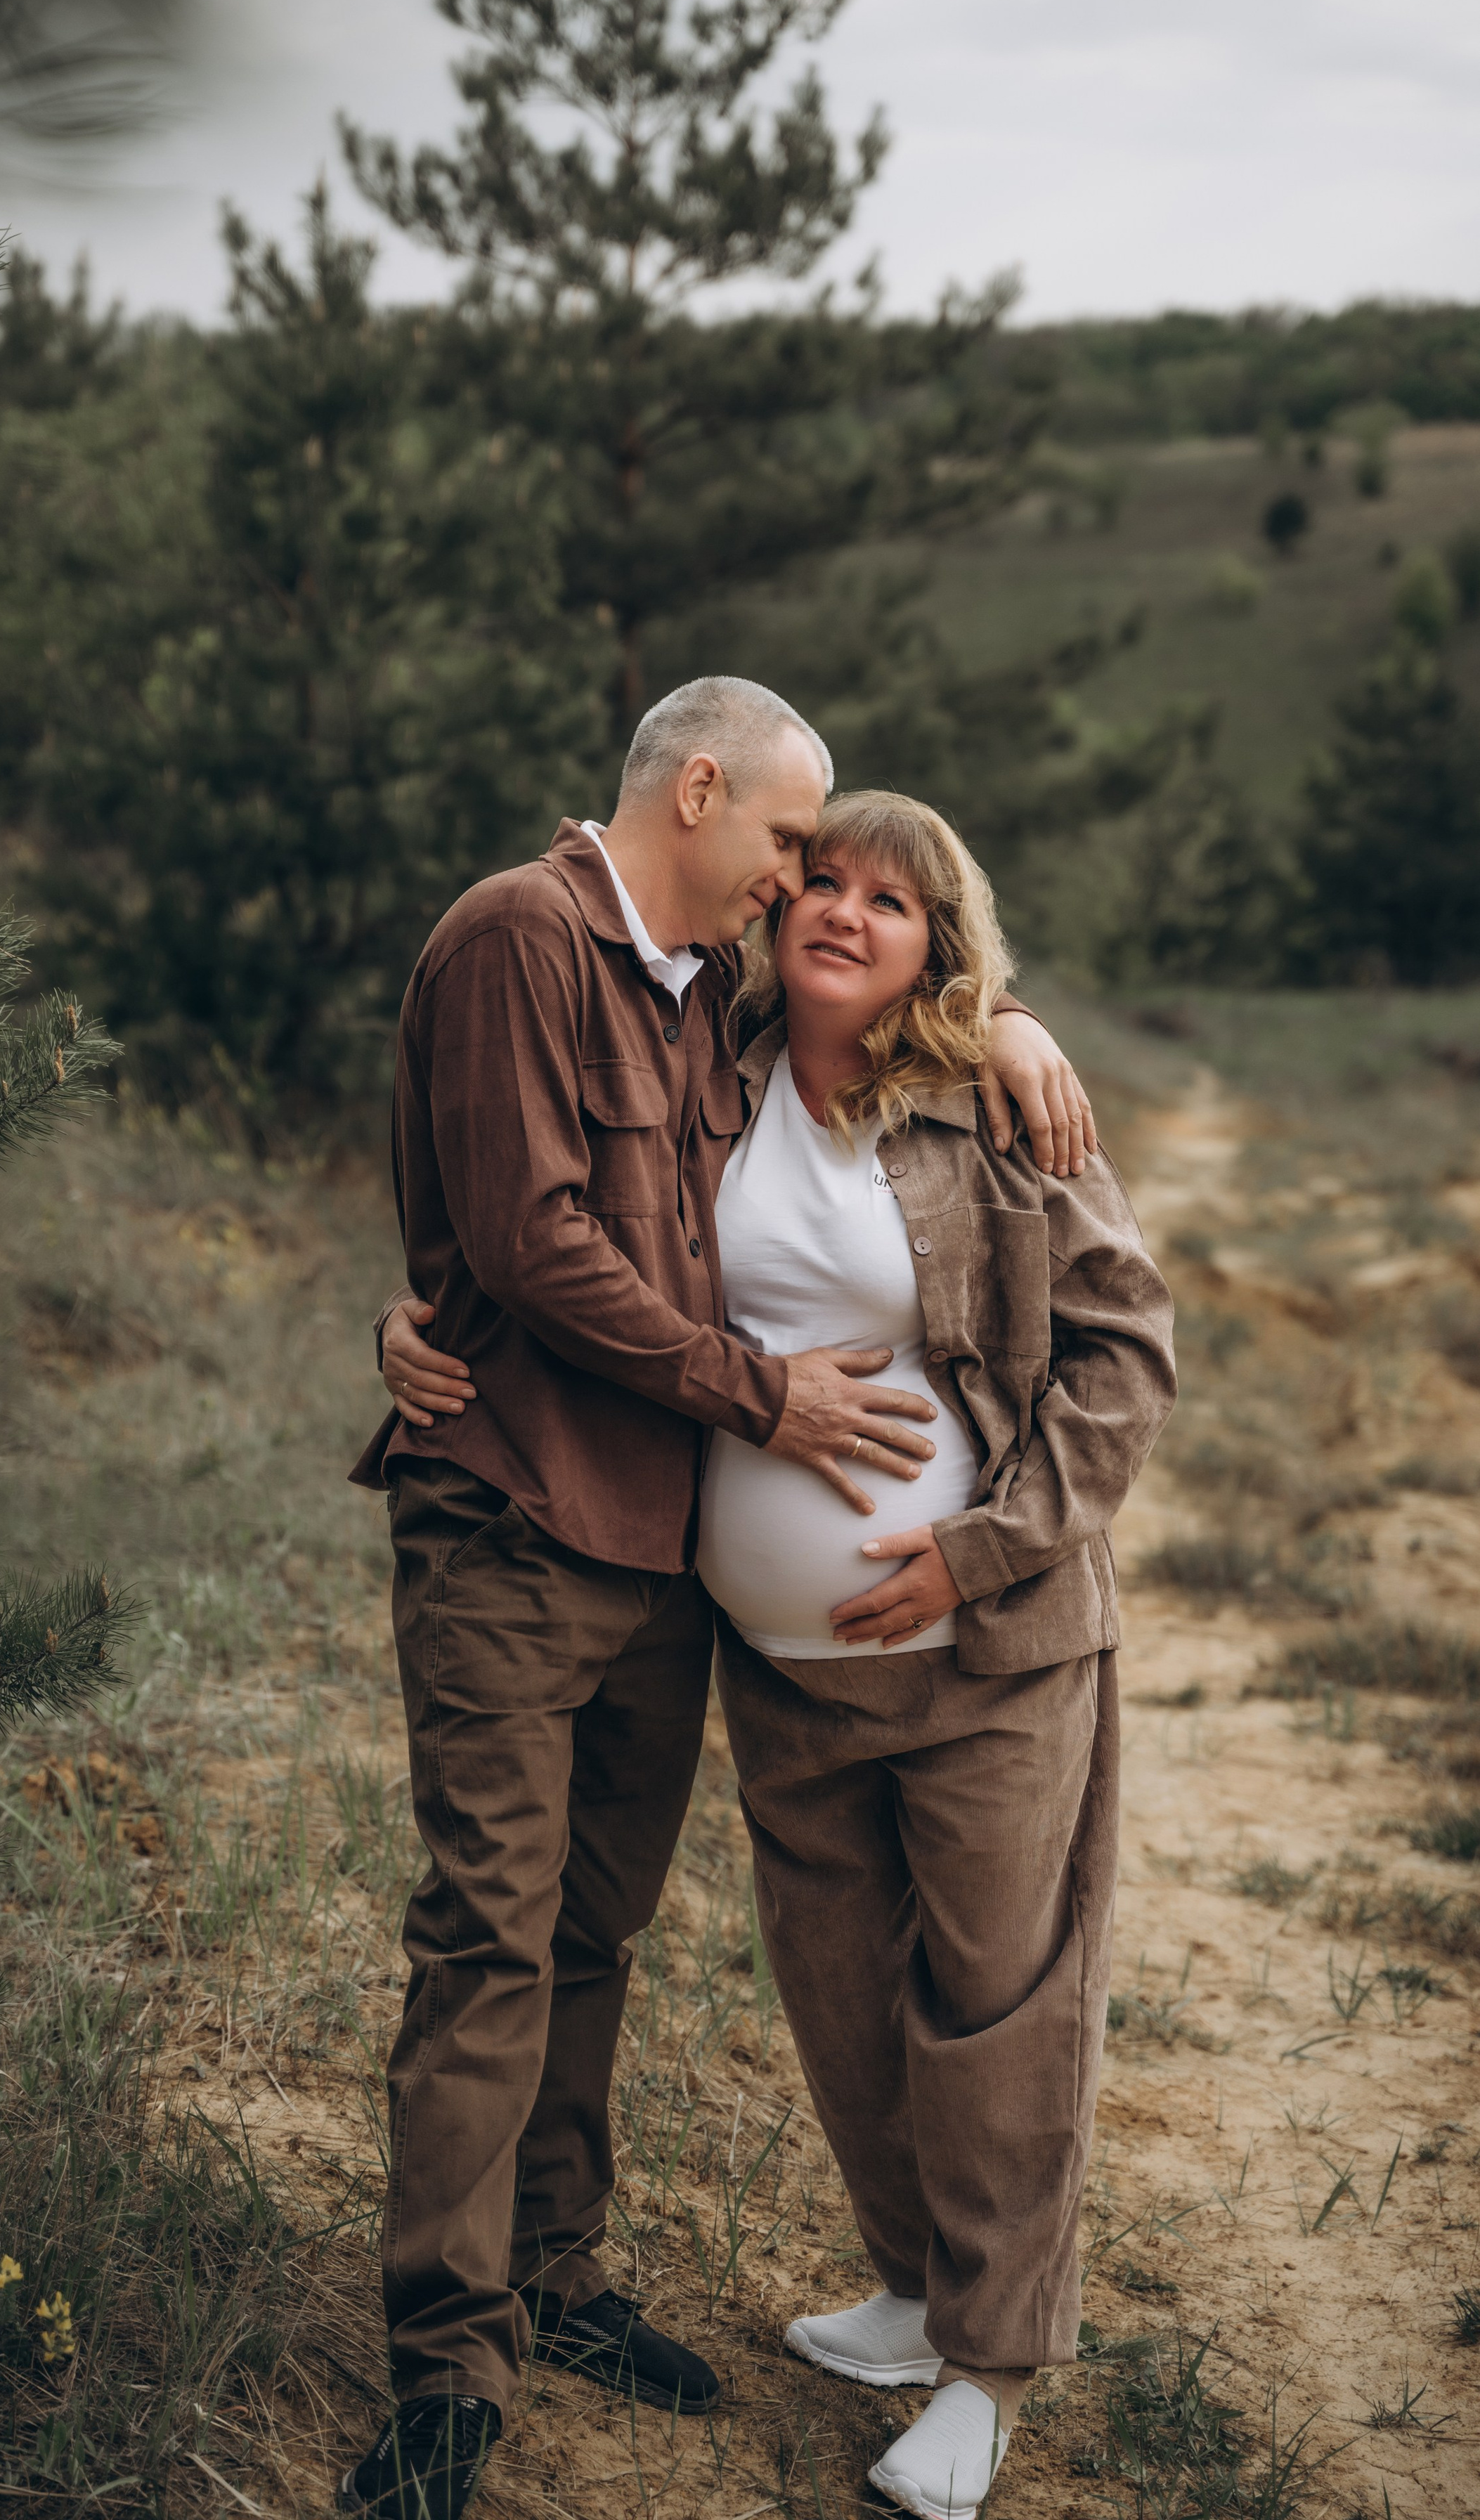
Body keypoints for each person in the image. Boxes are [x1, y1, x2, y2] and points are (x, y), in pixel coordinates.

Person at [340, 679, 1099, 2520]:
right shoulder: (521, 937)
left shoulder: (709, 1003)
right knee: (493, 1939)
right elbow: (524, 1237)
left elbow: (907, 1076)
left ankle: (562, 2273)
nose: (800, 889)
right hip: (523, 1529)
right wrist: (756, 1398)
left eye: (846, 878)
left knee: (593, 1938)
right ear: (698, 791)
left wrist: (1007, 1023)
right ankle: (450, 2366)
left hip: (676, 1575)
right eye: (790, 851)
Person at [697, 788, 1174, 2520]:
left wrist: (975, 1553)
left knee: (995, 2010)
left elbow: (1124, 1354)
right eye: (817, 879)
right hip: (778, 1665)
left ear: (936, 947)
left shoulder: (994, 1103)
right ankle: (909, 2290)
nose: (839, 911)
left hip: (990, 1656)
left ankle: (986, 2371)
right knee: (839, 1999)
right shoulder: (707, 1075)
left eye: (886, 902)